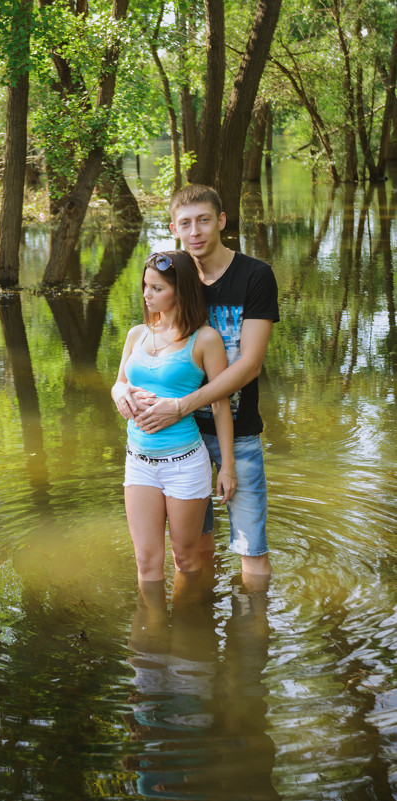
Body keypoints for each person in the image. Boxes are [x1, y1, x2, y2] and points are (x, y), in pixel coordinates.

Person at [116, 185, 279, 584]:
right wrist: (120, 389)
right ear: (174, 227)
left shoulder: (254, 276)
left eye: (204, 220)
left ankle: (252, 638)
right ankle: (197, 630)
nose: (196, 232)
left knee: (250, 548)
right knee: (194, 551)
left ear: (221, 221)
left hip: (234, 432)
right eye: (185, 224)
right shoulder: (176, 274)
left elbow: (250, 364)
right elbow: (141, 353)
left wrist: (183, 405)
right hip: (176, 441)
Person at [111, 250, 236, 583]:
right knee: (146, 564)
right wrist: (121, 393)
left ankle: (187, 628)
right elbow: (119, 384)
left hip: (183, 463)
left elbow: (220, 404)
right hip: (138, 461)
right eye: (145, 286)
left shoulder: (204, 339)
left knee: (185, 559)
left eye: (156, 288)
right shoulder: (137, 334)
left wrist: (227, 467)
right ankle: (150, 632)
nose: (146, 295)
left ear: (180, 291)